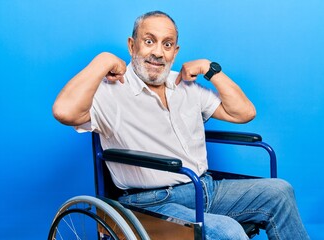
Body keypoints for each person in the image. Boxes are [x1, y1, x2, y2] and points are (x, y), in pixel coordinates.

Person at [53, 10, 310, 240]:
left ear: (175, 52)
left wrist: (211, 69)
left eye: (167, 44)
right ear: (132, 46)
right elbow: (64, 111)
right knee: (228, 230)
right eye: (149, 41)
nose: (157, 52)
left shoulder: (186, 85)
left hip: (205, 188)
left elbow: (244, 113)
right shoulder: (112, 91)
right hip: (152, 202)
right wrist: (102, 61)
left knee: (280, 191)